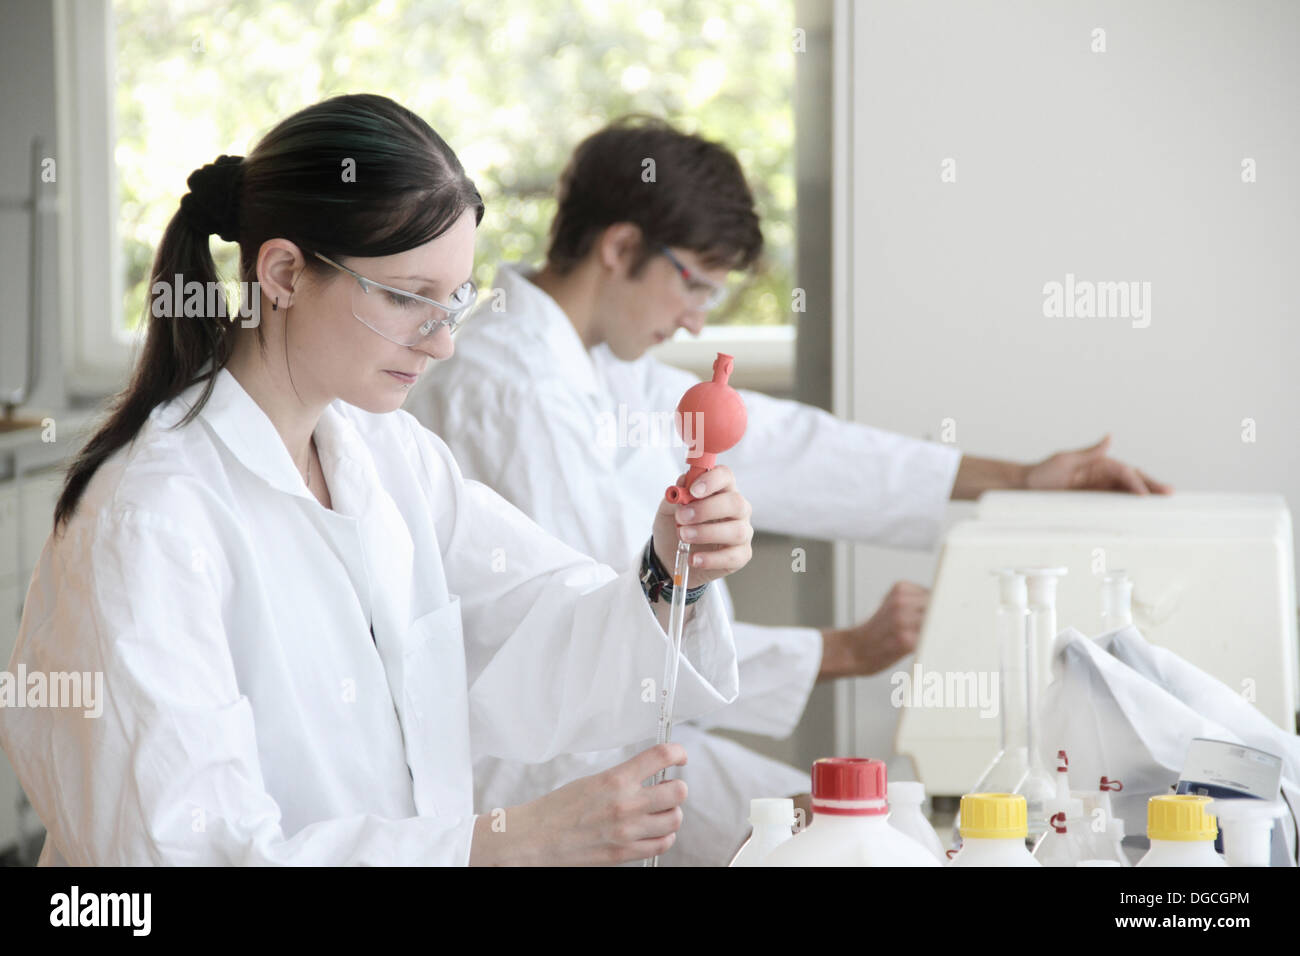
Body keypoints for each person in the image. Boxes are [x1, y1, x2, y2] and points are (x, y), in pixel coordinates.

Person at [0, 96, 759, 866]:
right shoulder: (150, 518)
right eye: (406, 297)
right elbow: (183, 849)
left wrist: (670, 569)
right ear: (286, 273)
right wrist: (510, 840)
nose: (442, 345)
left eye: (453, 301)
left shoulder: (383, 449)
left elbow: (538, 618)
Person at [407, 116, 1173, 866]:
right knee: (843, 835)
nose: (695, 320)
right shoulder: (509, 389)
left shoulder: (600, 367)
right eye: (697, 284)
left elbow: (795, 447)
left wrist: (1014, 478)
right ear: (620, 247)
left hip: (623, 737)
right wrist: (844, 650)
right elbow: (614, 611)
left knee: (868, 831)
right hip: (543, 766)